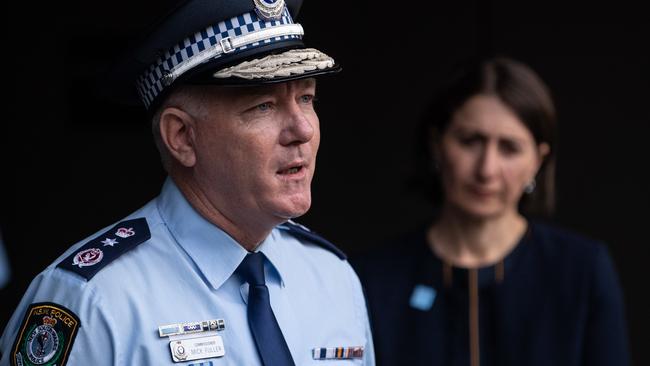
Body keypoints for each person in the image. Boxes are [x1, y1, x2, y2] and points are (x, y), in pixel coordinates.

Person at [0, 1, 374, 365]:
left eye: (306, 98)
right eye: (264, 105)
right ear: (182, 137)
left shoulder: (332, 277)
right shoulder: (92, 301)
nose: (303, 130)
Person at [353, 57, 630, 366]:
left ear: (537, 161)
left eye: (509, 148)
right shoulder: (375, 277)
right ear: (436, 145)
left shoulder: (581, 272)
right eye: (471, 141)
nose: (487, 169)